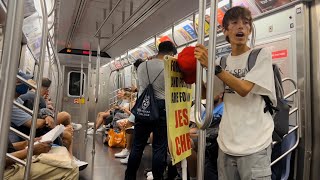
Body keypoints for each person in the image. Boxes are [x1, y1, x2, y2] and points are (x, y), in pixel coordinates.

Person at [194, 6, 276, 180]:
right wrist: (194, 73)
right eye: (234, 23)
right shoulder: (222, 61)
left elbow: (244, 89)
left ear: (250, 29)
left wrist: (213, 67)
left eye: (246, 23)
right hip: (226, 145)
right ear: (225, 30)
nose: (241, 27)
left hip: (255, 145)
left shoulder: (260, 55)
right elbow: (208, 95)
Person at [125, 41, 177, 180]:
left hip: (143, 107)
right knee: (159, 147)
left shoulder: (142, 65)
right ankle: (157, 177)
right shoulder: (170, 66)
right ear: (171, 54)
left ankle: (129, 177)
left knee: (137, 146)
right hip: (161, 108)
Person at [4, 138, 79, 179]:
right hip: (6, 171)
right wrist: (31, 151)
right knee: (71, 169)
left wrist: (26, 143)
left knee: (59, 150)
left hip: (13, 161)